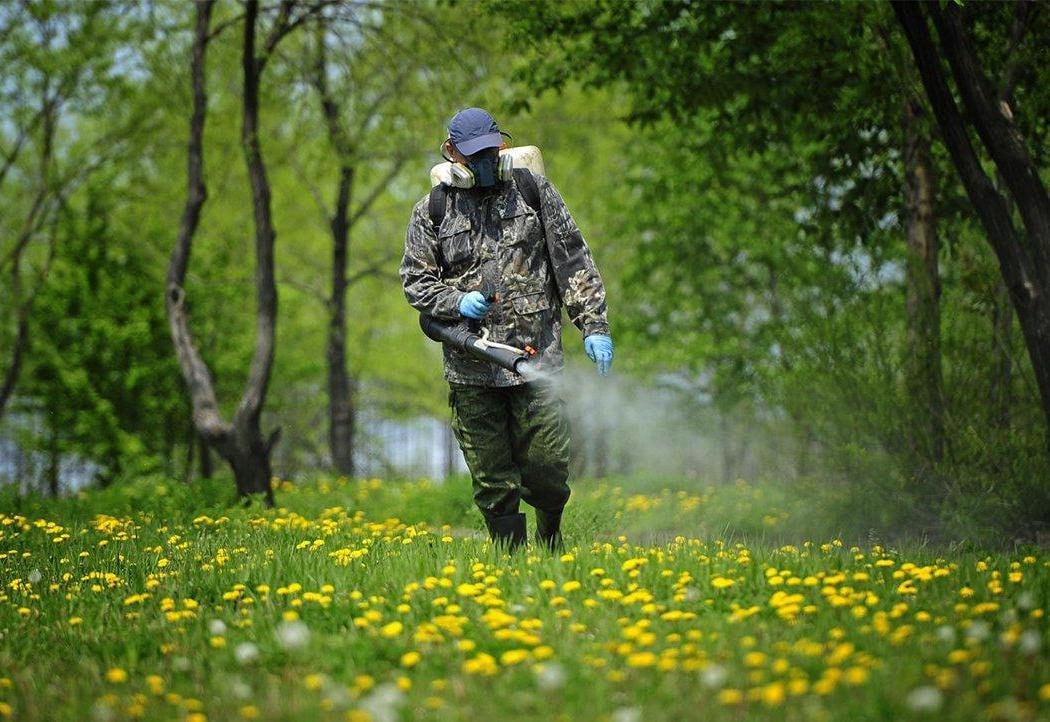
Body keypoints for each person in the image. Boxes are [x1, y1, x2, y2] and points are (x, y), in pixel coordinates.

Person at [399, 107, 613, 551]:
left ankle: (551, 542)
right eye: (473, 156)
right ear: (453, 153)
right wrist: (457, 302)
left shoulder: (533, 191)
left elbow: (572, 259)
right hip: (471, 367)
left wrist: (592, 324)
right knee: (492, 479)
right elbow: (416, 282)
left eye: (490, 152)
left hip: (539, 359)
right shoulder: (433, 209)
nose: (483, 163)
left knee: (548, 468)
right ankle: (510, 565)